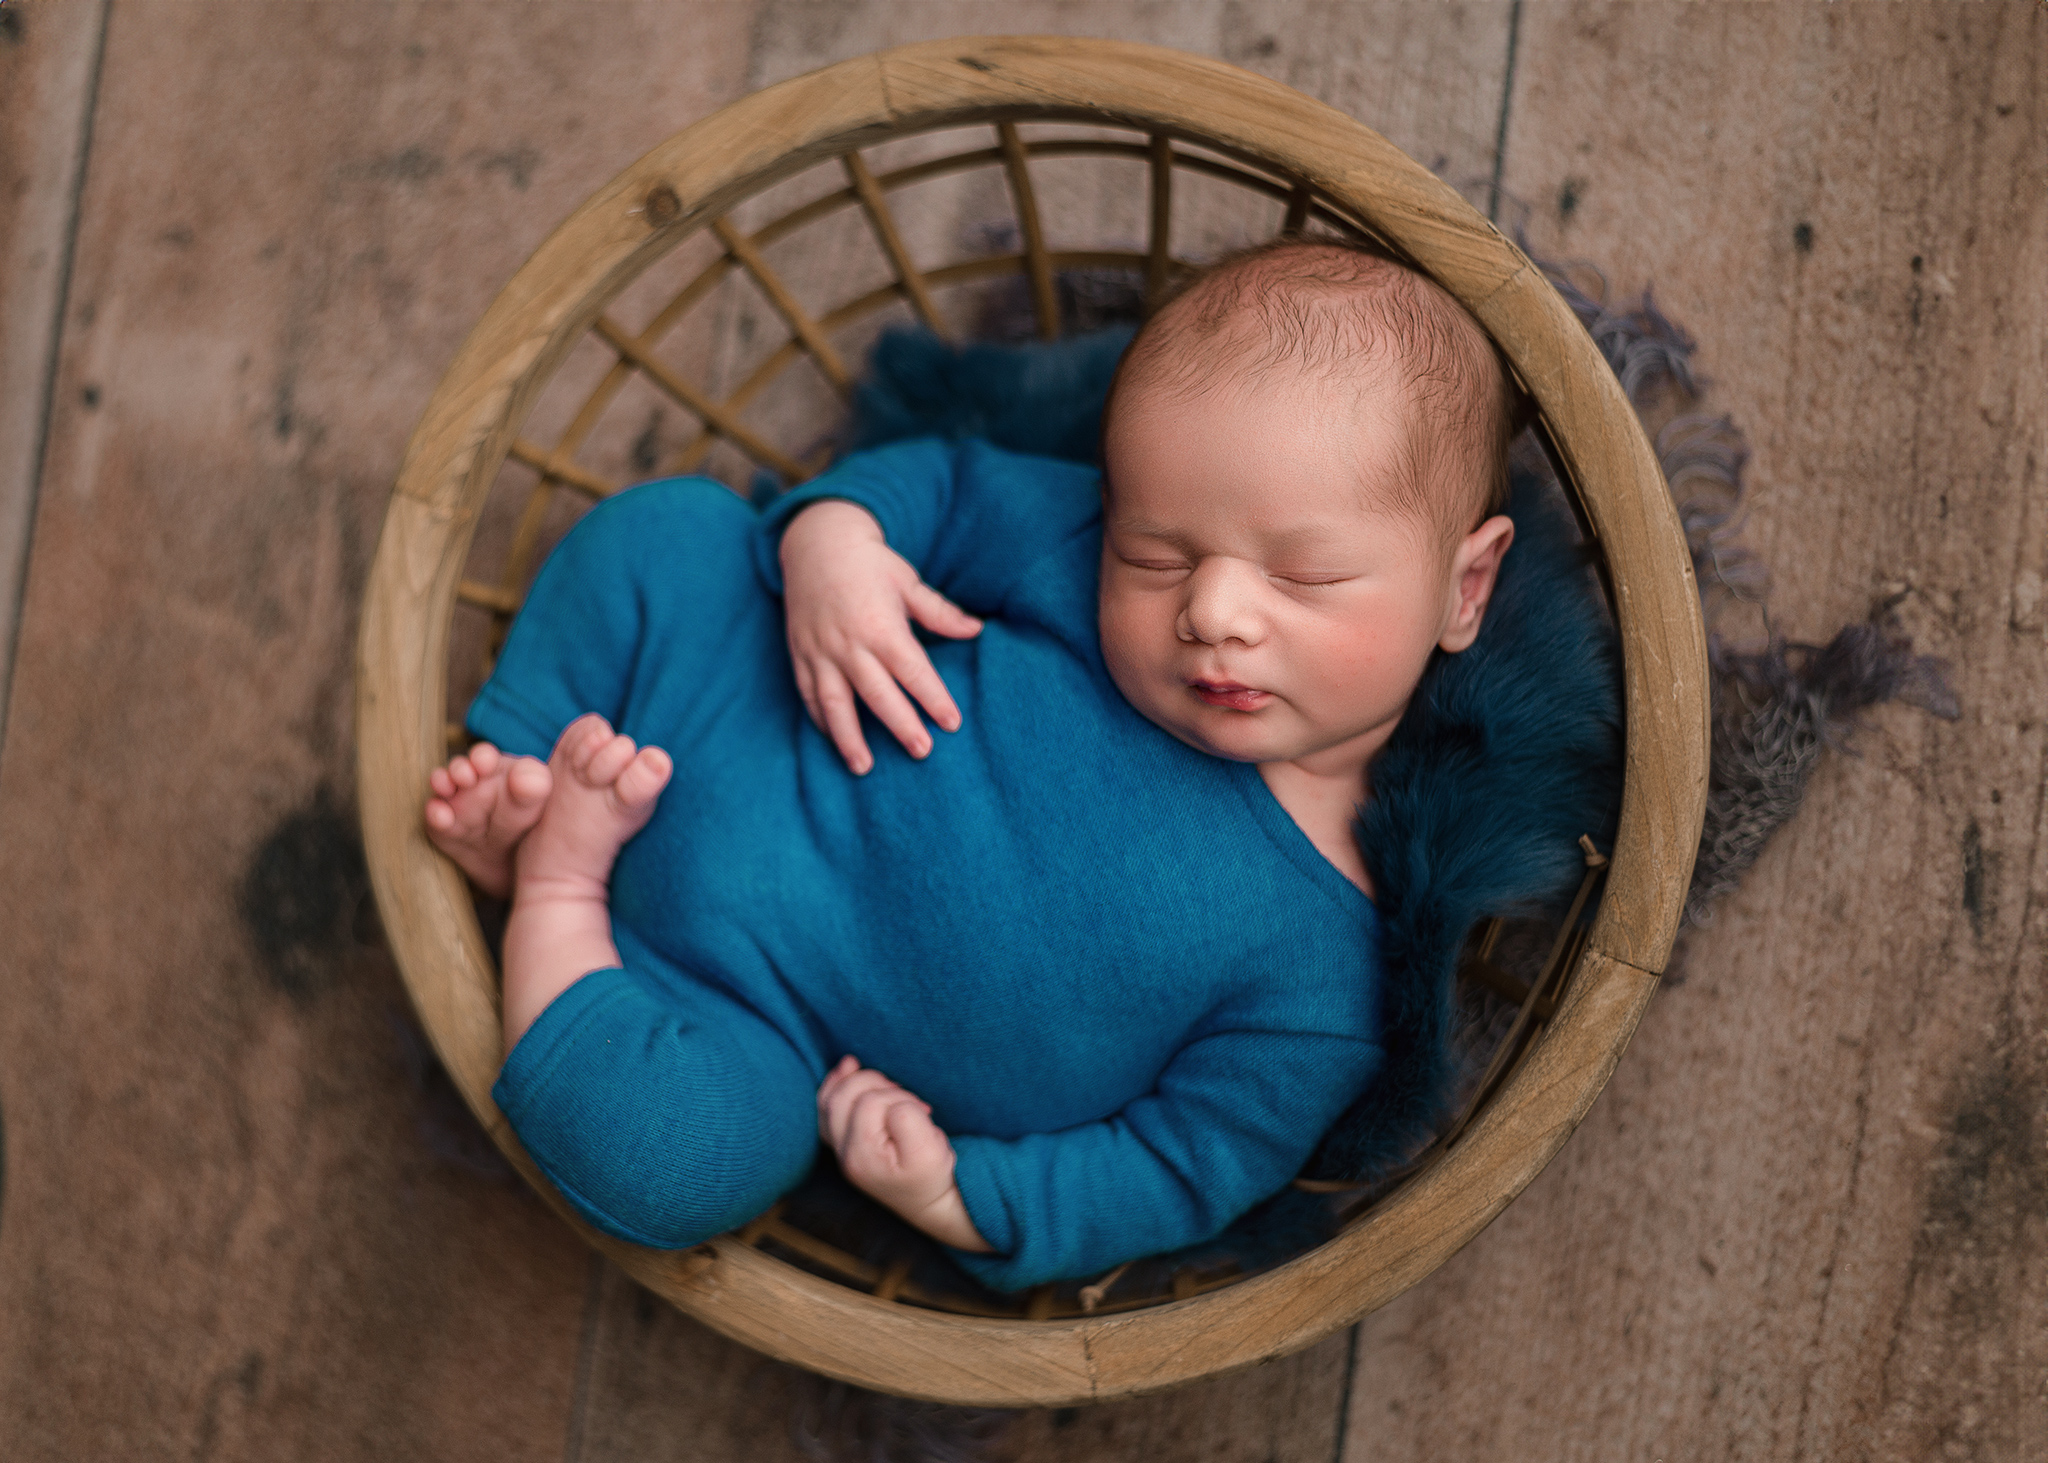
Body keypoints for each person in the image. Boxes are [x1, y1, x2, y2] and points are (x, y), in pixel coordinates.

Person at [421, 239, 1519, 1291]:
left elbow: (1179, 1167)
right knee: (666, 536)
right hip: (715, 705)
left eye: (1306, 575)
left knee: (669, 1160)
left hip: (761, 1012)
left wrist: (955, 1190)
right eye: (1157, 553)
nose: (1211, 610)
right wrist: (833, 549)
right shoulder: (1069, 544)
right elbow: (939, 488)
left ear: (1462, 588)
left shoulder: (1323, 974)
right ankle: (518, 770)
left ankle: (554, 894)